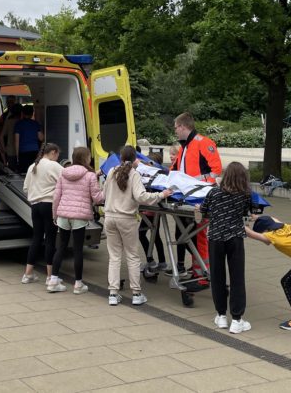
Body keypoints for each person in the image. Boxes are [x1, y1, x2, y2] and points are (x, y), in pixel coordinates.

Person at [104, 145, 173, 306]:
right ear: (136, 159)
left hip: (110, 217)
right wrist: (162, 194)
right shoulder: (134, 175)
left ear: (120, 158)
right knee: (132, 256)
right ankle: (136, 293)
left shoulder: (111, 172)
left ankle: (113, 294)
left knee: (114, 257)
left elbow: (104, 193)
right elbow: (141, 197)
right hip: (126, 218)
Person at [196, 162, 252, 334]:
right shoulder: (245, 195)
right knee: (237, 278)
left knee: (218, 277)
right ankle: (237, 319)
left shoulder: (213, 192)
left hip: (215, 238)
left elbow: (204, 211)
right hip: (235, 238)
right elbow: (245, 213)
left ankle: (221, 316)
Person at [171, 112, 223, 281]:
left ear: (182, 126)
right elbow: (175, 170)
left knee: (199, 237)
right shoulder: (185, 147)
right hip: (189, 198)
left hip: (200, 198)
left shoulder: (203, 143)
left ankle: (203, 275)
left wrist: (203, 188)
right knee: (189, 237)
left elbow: (216, 170)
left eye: (176, 128)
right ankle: (200, 271)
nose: (175, 132)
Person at [47, 147, 104, 294]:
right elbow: (97, 198)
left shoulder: (63, 173)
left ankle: (53, 281)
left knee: (61, 247)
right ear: (86, 158)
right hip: (79, 216)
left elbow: (56, 196)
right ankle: (78, 284)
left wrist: (55, 215)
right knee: (78, 249)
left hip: (63, 215)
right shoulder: (90, 176)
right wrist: (107, 190)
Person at [21, 143, 63, 285]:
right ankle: (50, 277)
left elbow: (26, 188)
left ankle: (28, 274)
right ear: (53, 152)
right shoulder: (54, 166)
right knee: (50, 239)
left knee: (36, 238)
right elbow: (67, 179)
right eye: (57, 155)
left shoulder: (32, 167)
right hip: (49, 204)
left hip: (35, 205)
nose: (57, 158)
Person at [15, 105, 43, 174]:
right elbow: (41, 138)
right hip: (34, 151)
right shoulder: (36, 124)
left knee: (24, 173)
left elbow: (16, 141)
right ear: (32, 113)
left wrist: (17, 156)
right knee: (34, 172)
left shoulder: (18, 124)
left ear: (23, 113)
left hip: (23, 151)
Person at [0, 103, 22, 171]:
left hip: (11, 150)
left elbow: (1, 136)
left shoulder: (8, 122)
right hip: (23, 151)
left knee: (12, 172)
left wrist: (3, 148)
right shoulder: (23, 122)